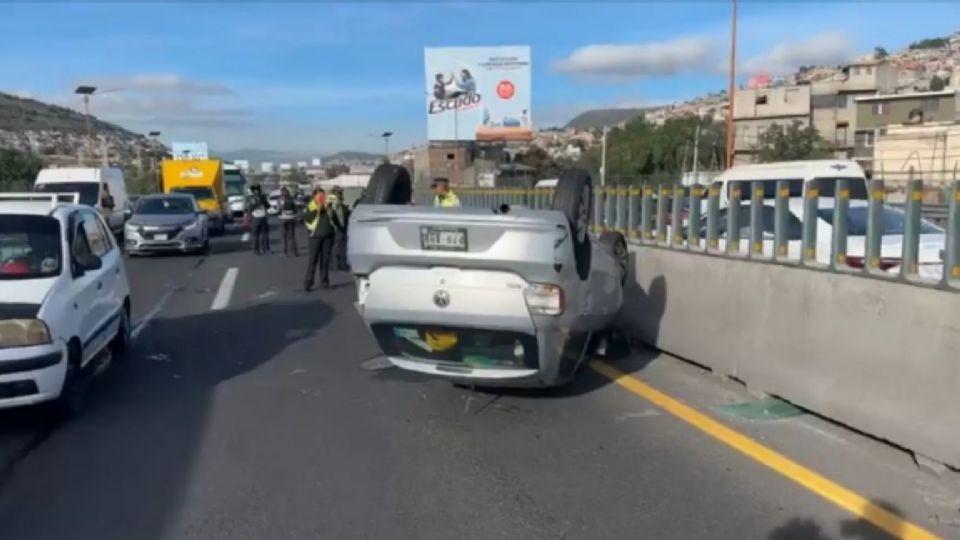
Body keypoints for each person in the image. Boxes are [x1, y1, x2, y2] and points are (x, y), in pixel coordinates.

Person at [303, 188, 335, 291]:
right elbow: (308, 217)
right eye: (320, 195)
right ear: (315, 196)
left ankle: (324, 281)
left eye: (323, 195)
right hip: (315, 236)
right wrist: (319, 206)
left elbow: (335, 218)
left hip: (328, 235)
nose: (322, 197)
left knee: (325, 260)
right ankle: (308, 282)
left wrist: (331, 207)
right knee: (313, 260)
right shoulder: (311, 205)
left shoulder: (328, 205)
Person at [328, 189, 350, 271]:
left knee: (338, 247)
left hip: (338, 229)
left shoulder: (334, 207)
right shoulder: (338, 207)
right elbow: (336, 219)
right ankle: (339, 265)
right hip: (339, 229)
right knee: (339, 247)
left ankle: (338, 264)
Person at [245, 184, 271, 254]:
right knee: (264, 234)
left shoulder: (250, 198)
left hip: (255, 218)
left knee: (255, 234)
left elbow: (247, 208)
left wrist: (248, 215)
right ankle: (266, 249)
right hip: (263, 217)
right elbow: (268, 206)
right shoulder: (263, 197)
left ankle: (256, 249)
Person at [278, 186, 299, 256]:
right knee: (292, 236)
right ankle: (294, 252)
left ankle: (284, 252)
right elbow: (296, 209)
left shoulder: (281, 199)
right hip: (291, 218)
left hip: (283, 218)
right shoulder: (292, 199)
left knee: (283, 237)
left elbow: (279, 209)